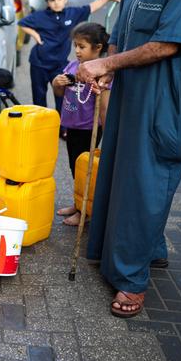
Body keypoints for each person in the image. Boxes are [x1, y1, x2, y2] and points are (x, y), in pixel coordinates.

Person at [76, 0, 181, 318]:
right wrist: (107, 66)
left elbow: (166, 44)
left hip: (161, 102)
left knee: (147, 182)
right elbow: (119, 37)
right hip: (128, 96)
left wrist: (107, 66)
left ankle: (132, 279)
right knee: (117, 173)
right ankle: (137, 249)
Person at [18, 0, 119, 112]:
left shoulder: (72, 13)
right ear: (47, 1)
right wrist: (36, 36)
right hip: (39, 63)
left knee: (62, 96)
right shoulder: (39, 16)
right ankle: (42, 126)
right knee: (39, 98)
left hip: (60, 64)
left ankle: (62, 128)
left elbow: (90, 8)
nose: (56, 2)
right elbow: (22, 23)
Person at [52, 22, 111, 227]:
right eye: (75, 46)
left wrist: (107, 126)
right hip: (72, 126)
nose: (77, 51)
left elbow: (104, 104)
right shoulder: (71, 66)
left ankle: (84, 210)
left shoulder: (101, 73)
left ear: (98, 48)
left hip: (89, 128)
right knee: (74, 167)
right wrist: (56, 84)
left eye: (82, 47)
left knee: (86, 169)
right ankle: (78, 204)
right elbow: (59, 94)